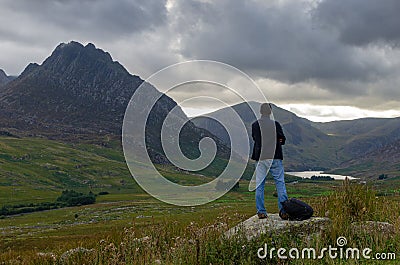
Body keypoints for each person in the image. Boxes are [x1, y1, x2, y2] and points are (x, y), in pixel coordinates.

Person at [251, 103, 289, 220]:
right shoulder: (276, 124)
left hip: (261, 158)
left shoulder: (255, 125)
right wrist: (278, 140)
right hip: (275, 157)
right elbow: (282, 139)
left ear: (261, 112)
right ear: (270, 112)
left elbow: (255, 138)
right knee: (280, 184)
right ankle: (283, 211)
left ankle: (261, 212)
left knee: (259, 185)